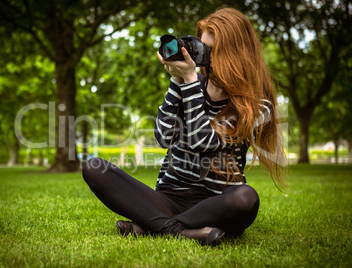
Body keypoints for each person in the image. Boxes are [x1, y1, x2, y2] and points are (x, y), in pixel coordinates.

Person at [82, 7, 286, 246]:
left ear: (234, 53)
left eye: (210, 50)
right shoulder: (189, 83)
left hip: (217, 202)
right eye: (201, 46)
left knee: (246, 198)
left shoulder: (255, 104)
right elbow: (164, 139)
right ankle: (179, 230)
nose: (200, 56)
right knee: (94, 167)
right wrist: (177, 80)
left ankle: (153, 226)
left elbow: (203, 141)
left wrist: (189, 82)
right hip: (169, 197)